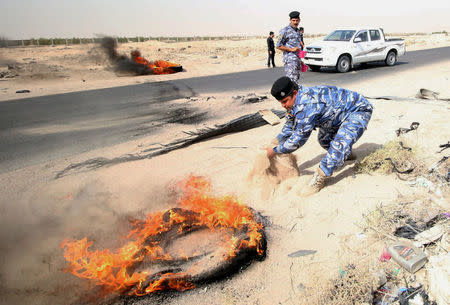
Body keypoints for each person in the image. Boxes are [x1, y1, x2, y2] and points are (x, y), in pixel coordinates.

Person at [265, 76, 373, 196]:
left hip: (357, 111)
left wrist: (275, 151)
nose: (283, 106)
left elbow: (298, 139)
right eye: (281, 102)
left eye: (284, 101)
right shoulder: (295, 99)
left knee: (339, 145)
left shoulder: (306, 105)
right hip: (335, 116)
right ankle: (345, 154)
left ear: (294, 93)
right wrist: (277, 140)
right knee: (324, 140)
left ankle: (321, 177)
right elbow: (290, 124)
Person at [276, 11, 302, 84]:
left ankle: (295, 94)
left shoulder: (298, 31)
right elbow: (278, 45)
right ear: (290, 20)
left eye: (297, 20)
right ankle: (290, 95)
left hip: (297, 59)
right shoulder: (284, 30)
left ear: (299, 20)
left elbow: (298, 46)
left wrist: (301, 59)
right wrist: (291, 49)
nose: (295, 22)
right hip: (290, 60)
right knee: (291, 80)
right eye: (293, 20)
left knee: (296, 79)